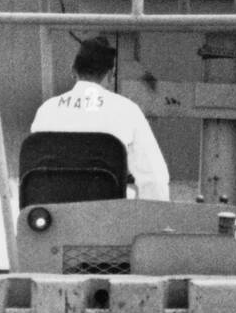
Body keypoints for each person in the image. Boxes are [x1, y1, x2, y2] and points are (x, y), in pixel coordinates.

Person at [31, 34, 170, 200]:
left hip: (56, 213)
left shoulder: (47, 110)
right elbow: (154, 177)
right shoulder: (127, 110)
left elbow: (35, 170)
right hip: (108, 214)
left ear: (73, 70)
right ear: (111, 75)